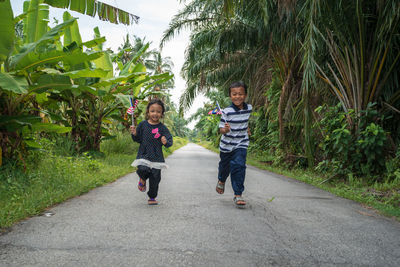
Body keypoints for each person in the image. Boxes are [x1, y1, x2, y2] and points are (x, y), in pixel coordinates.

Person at [215, 81, 252, 208]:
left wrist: (247, 128)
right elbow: (220, 129)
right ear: (230, 96)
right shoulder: (226, 112)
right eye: (234, 94)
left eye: (240, 94)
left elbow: (245, 120)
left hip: (241, 143)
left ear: (245, 95)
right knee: (225, 167)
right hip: (226, 145)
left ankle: (238, 194)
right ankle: (221, 179)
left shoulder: (249, 108)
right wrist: (225, 129)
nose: (238, 96)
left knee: (239, 166)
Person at [130, 98, 173, 205]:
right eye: (152, 111)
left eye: (158, 111)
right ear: (148, 112)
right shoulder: (143, 125)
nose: (155, 113)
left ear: (162, 114)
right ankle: (143, 179)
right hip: (144, 155)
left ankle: (152, 197)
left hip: (157, 157)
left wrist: (165, 141)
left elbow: (170, 141)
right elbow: (138, 139)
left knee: (155, 178)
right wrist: (134, 133)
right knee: (142, 169)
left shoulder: (162, 128)